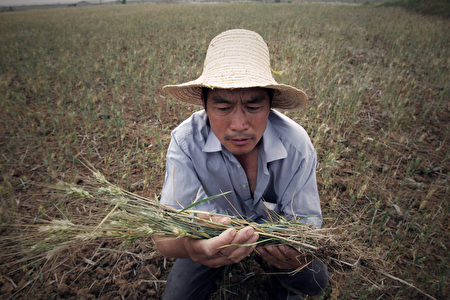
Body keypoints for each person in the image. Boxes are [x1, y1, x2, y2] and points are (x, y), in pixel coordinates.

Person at [155, 29, 328, 300]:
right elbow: (164, 236)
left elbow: (307, 225)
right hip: (212, 232)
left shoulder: (296, 145)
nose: (239, 125)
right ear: (204, 104)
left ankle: (279, 283)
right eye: (223, 108)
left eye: (253, 106)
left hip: (277, 239)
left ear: (270, 104)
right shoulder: (186, 141)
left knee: (313, 278)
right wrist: (193, 248)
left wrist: (295, 252)